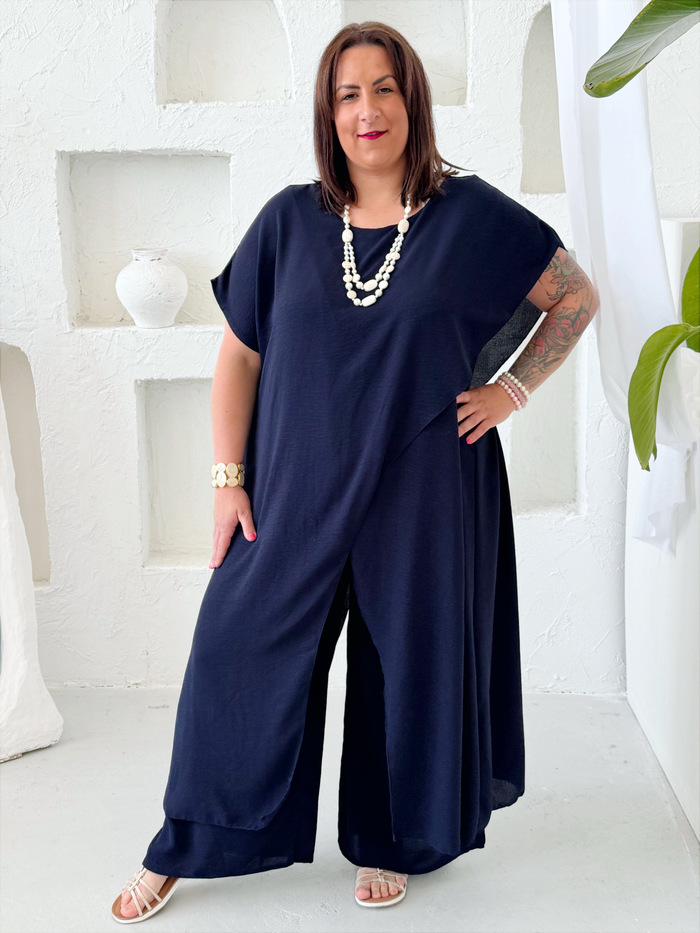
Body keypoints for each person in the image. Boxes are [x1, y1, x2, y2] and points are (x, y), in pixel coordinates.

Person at [111, 20, 598, 923]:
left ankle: (391, 838)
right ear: (327, 113)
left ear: (412, 99)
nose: (367, 109)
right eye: (347, 94)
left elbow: (573, 296)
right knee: (234, 649)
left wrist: (510, 391)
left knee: (405, 665)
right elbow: (240, 357)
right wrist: (228, 480)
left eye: (383, 88)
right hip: (294, 487)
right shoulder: (290, 221)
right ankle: (186, 838)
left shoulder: (470, 215)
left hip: (426, 489)